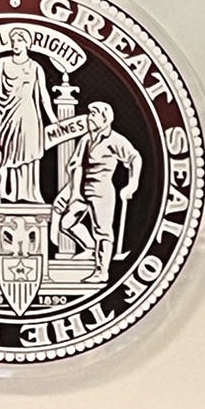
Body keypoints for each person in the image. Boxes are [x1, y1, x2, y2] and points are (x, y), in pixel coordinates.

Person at [57, 102, 141, 282]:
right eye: (90, 113)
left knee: (103, 232)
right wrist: (73, 192)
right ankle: (90, 247)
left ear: (105, 118)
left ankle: (102, 272)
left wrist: (132, 184)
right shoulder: (86, 139)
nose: (90, 117)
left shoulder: (115, 140)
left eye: (94, 114)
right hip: (82, 190)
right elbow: (75, 164)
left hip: (102, 191)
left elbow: (135, 158)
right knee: (66, 223)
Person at [0, 28, 56, 203]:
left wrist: (53, 119)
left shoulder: (35, 67)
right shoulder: (1, 63)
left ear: (27, 43)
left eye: (19, 40)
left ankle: (29, 193)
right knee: (8, 154)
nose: (15, 44)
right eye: (13, 40)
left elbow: (43, 95)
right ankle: (5, 191)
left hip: (28, 113)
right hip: (8, 116)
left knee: (29, 153)